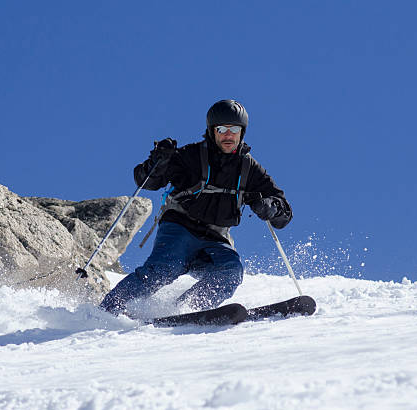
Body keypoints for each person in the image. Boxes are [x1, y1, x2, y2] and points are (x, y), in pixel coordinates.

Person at [100, 99, 292, 315]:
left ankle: (184, 310)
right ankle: (108, 310)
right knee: (163, 270)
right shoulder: (191, 156)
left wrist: (272, 207)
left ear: (242, 132)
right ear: (212, 131)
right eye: (222, 129)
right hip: (179, 229)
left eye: (234, 130)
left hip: (216, 239)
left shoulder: (249, 169)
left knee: (230, 271)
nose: (228, 135)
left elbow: (283, 212)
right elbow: (147, 181)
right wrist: (159, 161)